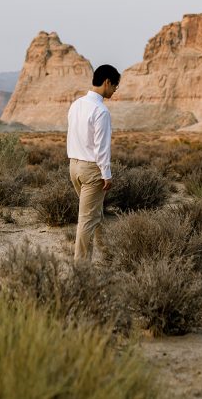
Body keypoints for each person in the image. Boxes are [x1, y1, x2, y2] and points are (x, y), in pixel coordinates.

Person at [66, 64, 120, 261]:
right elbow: (101, 147)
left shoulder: (76, 104)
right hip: (92, 170)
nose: (115, 90)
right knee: (87, 219)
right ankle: (81, 268)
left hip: (74, 167)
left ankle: (107, 254)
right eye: (115, 86)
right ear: (107, 82)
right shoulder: (101, 111)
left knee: (95, 213)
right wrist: (106, 174)